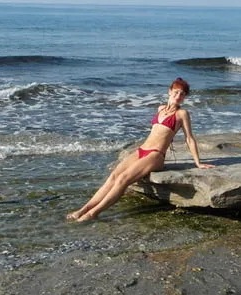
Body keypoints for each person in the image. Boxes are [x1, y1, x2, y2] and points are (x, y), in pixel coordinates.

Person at [67, 77, 214, 222]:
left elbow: (189, 138)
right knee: (114, 176)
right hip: (142, 150)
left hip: (156, 155)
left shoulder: (182, 114)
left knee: (124, 180)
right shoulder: (161, 109)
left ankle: (93, 213)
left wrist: (198, 163)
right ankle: (83, 209)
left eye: (182, 94)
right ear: (169, 92)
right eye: (176, 92)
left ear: (184, 97)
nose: (178, 96)